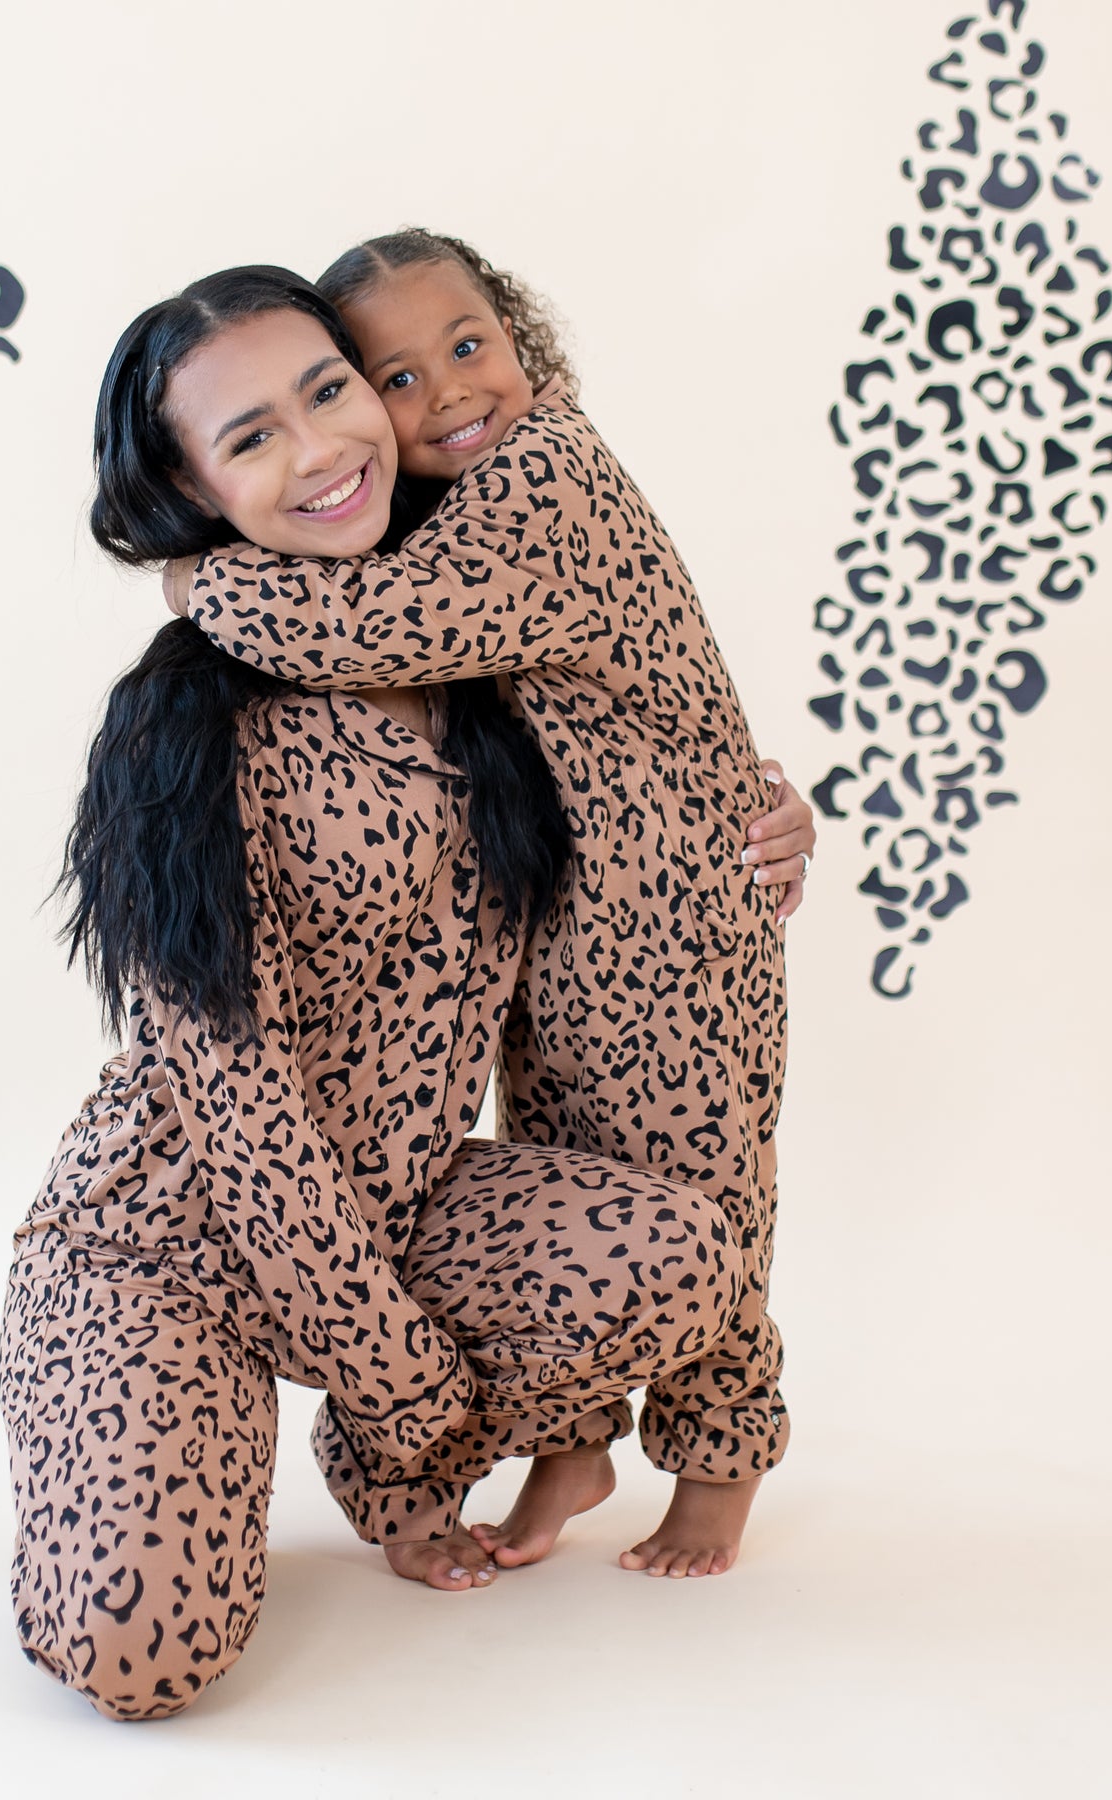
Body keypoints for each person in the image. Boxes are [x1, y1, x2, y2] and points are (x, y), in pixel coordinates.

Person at [2, 266, 807, 1721]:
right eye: (249, 438)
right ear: (190, 489)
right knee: (140, 1661)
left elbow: (645, 750)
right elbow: (236, 1108)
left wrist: (760, 812)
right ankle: (171, 1428)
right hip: (174, 1242)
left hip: (403, 1207)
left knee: (684, 1252)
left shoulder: (479, 650)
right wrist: (411, 1401)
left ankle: (362, 1466)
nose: (321, 449)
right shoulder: (187, 722)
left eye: (330, 391)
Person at [167, 229, 816, 1579]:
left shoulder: (548, 480)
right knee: (576, 1160)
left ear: (525, 341)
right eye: (397, 376)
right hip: (575, 941)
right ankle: (572, 1450)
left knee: (704, 1192)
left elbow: (365, 630)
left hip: (682, 938)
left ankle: (720, 1468)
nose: (451, 391)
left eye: (471, 346)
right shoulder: (458, 510)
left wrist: (198, 577)